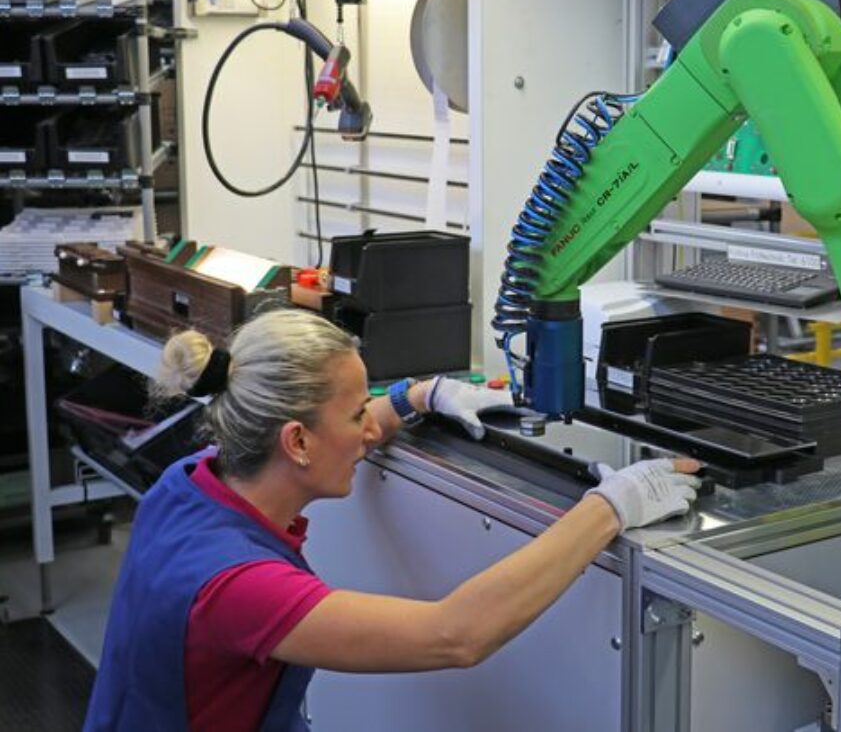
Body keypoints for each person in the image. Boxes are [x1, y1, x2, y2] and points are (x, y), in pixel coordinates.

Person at [84, 310, 700, 732]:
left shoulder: (191, 481)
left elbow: (341, 434)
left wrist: (418, 396)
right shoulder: (242, 589)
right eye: (357, 414)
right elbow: (455, 635)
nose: (367, 430)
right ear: (296, 441)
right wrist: (611, 506)